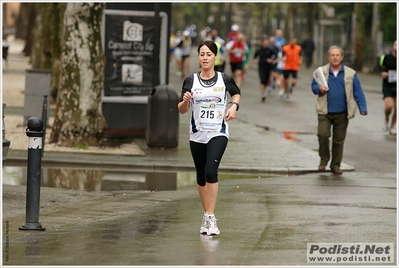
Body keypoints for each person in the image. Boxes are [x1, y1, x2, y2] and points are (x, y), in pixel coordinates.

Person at [177, 40, 241, 236]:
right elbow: (181, 110)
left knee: (211, 171)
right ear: (199, 57)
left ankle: (211, 218)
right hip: (197, 134)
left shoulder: (224, 79)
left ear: (215, 57)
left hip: (218, 132)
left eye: (209, 54)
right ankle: (206, 215)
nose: (205, 57)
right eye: (202, 54)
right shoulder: (190, 81)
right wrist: (185, 101)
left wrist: (233, 106)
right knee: (200, 175)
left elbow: (236, 93)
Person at [311, 45, 368, 175]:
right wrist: (319, 89)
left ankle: (335, 165)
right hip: (325, 111)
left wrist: (362, 108)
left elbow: (358, 92)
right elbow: (313, 86)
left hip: (342, 112)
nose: (335, 57)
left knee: (338, 140)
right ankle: (324, 159)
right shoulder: (321, 72)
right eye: (333, 55)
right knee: (323, 135)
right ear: (328, 57)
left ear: (342, 57)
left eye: (338, 55)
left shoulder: (350, 73)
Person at [379, 40, 397, 135]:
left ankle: (393, 126)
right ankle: (386, 119)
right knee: (389, 106)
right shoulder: (386, 57)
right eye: (395, 44)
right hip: (388, 85)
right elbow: (379, 67)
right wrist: (382, 73)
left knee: (397, 108)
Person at [253, 37, 276, 102]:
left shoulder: (270, 49)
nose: (265, 44)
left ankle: (265, 90)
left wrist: (271, 60)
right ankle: (263, 93)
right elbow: (255, 55)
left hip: (268, 67)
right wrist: (254, 59)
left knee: (266, 80)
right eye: (264, 43)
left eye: (267, 43)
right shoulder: (260, 49)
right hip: (261, 67)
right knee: (262, 80)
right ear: (262, 43)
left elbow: (275, 56)